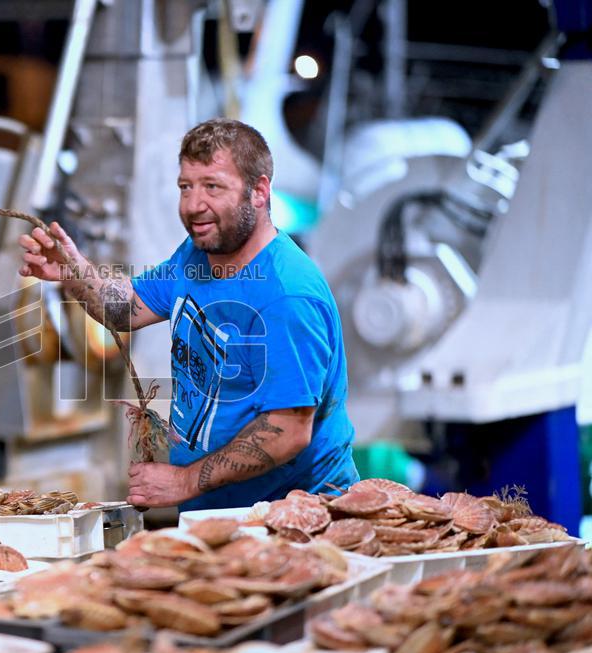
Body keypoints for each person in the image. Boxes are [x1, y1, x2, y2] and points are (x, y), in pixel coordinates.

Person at [18, 118, 358, 511]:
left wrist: (182, 480)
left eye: (212, 186)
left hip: (294, 520)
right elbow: (127, 308)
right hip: (222, 516)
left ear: (259, 191)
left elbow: (287, 430)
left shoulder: (286, 294)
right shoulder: (198, 255)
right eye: (185, 187)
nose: (194, 205)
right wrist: (72, 273)